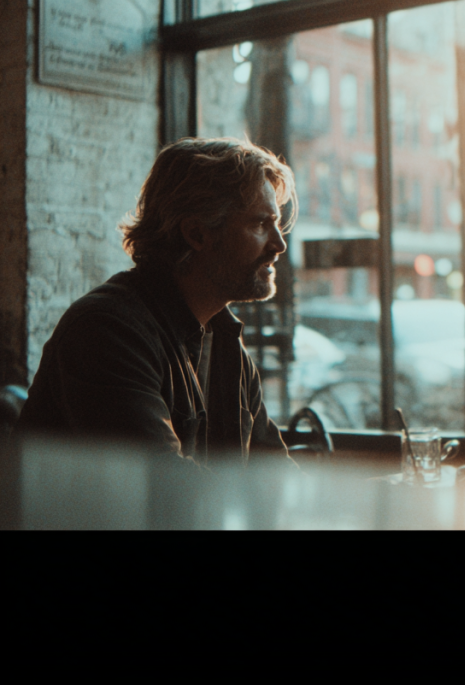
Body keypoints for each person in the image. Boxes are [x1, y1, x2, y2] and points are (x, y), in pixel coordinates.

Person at [17, 137, 296, 466]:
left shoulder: (223, 339)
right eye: (261, 224)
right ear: (197, 234)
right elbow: (165, 494)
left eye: (276, 223)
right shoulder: (107, 332)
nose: (279, 245)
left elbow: (275, 477)